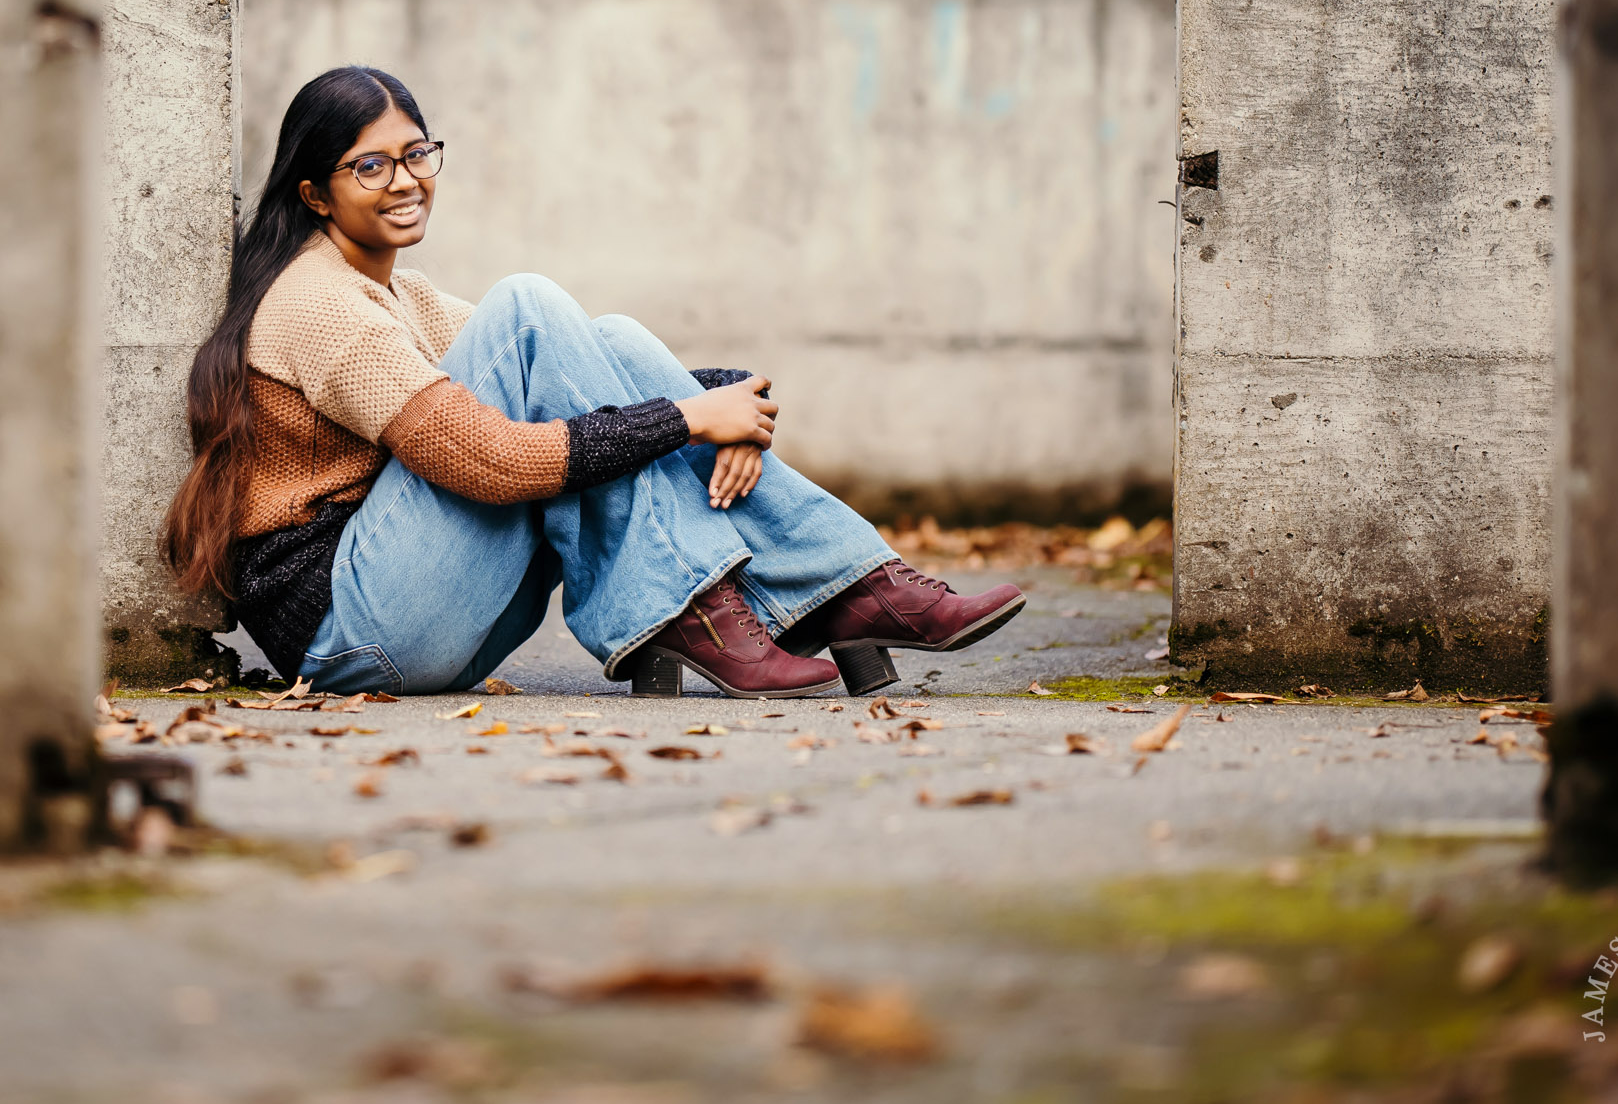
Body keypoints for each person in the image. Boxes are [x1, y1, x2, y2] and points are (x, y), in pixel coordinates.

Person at [159, 66, 1026, 698]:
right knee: (530, 309)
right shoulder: (316, 303)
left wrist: (731, 404)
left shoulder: (396, 292)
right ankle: (755, 601)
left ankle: (846, 589)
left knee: (602, 335)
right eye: (371, 165)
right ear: (315, 193)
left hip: (431, 617)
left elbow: (585, 372)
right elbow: (487, 461)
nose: (408, 180)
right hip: (354, 631)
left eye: (417, 153)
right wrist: (693, 418)